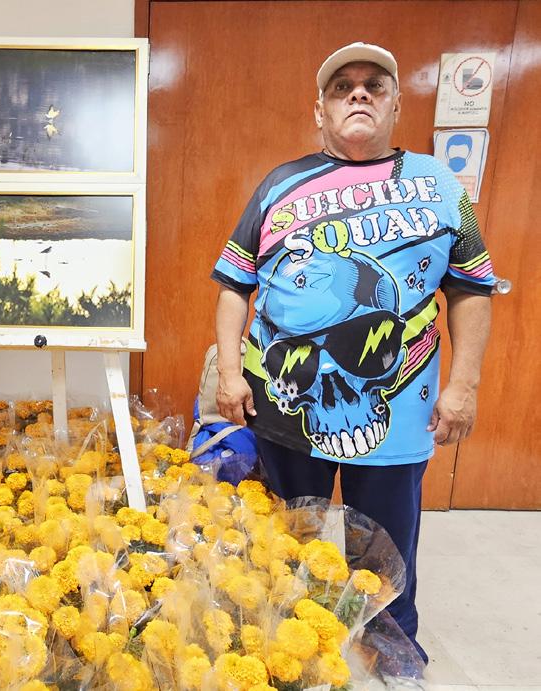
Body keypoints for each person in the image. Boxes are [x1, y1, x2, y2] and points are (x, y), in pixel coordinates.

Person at [211, 42, 494, 667]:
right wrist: (230, 373)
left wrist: (465, 385)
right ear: (320, 111)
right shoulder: (278, 185)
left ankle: (389, 649)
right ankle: (285, 652)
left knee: (387, 546)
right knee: (287, 538)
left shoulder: (442, 186)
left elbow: (472, 289)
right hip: (286, 398)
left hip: (397, 405)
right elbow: (234, 284)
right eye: (342, 87)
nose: (358, 93)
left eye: (374, 85)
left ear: (396, 105)